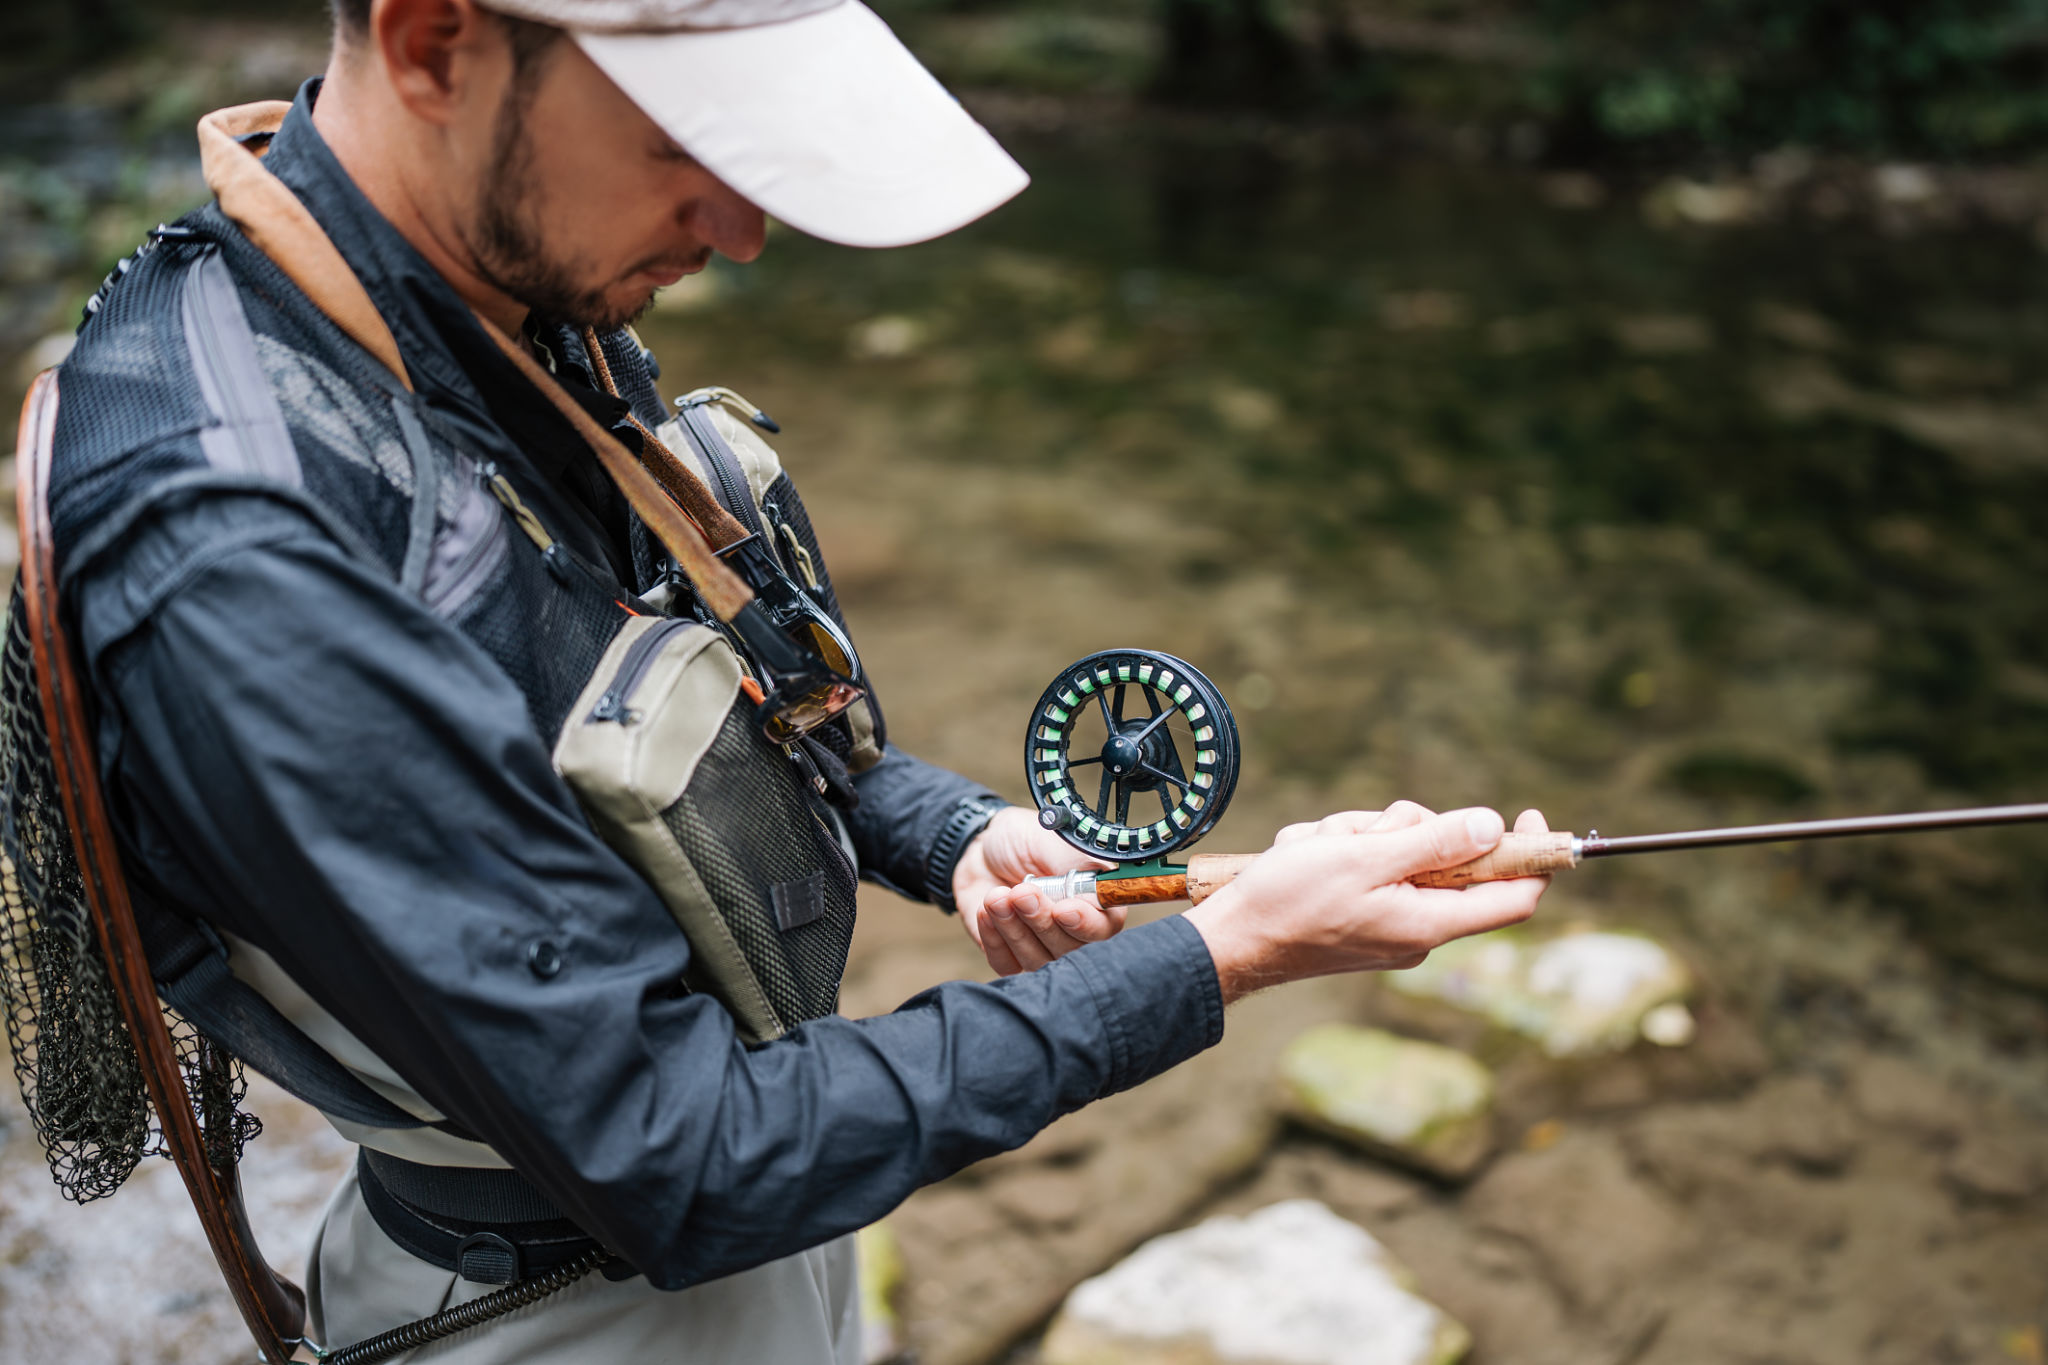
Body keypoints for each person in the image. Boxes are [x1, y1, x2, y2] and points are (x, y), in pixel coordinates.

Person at [44, 0, 1552, 1359]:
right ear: (437, 43)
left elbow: (725, 702)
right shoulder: (247, 548)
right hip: (557, 1306)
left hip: (773, 1214)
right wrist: (1224, 956)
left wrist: (958, 836)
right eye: (691, 138)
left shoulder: (493, 294)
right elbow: (683, 1156)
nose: (745, 228)